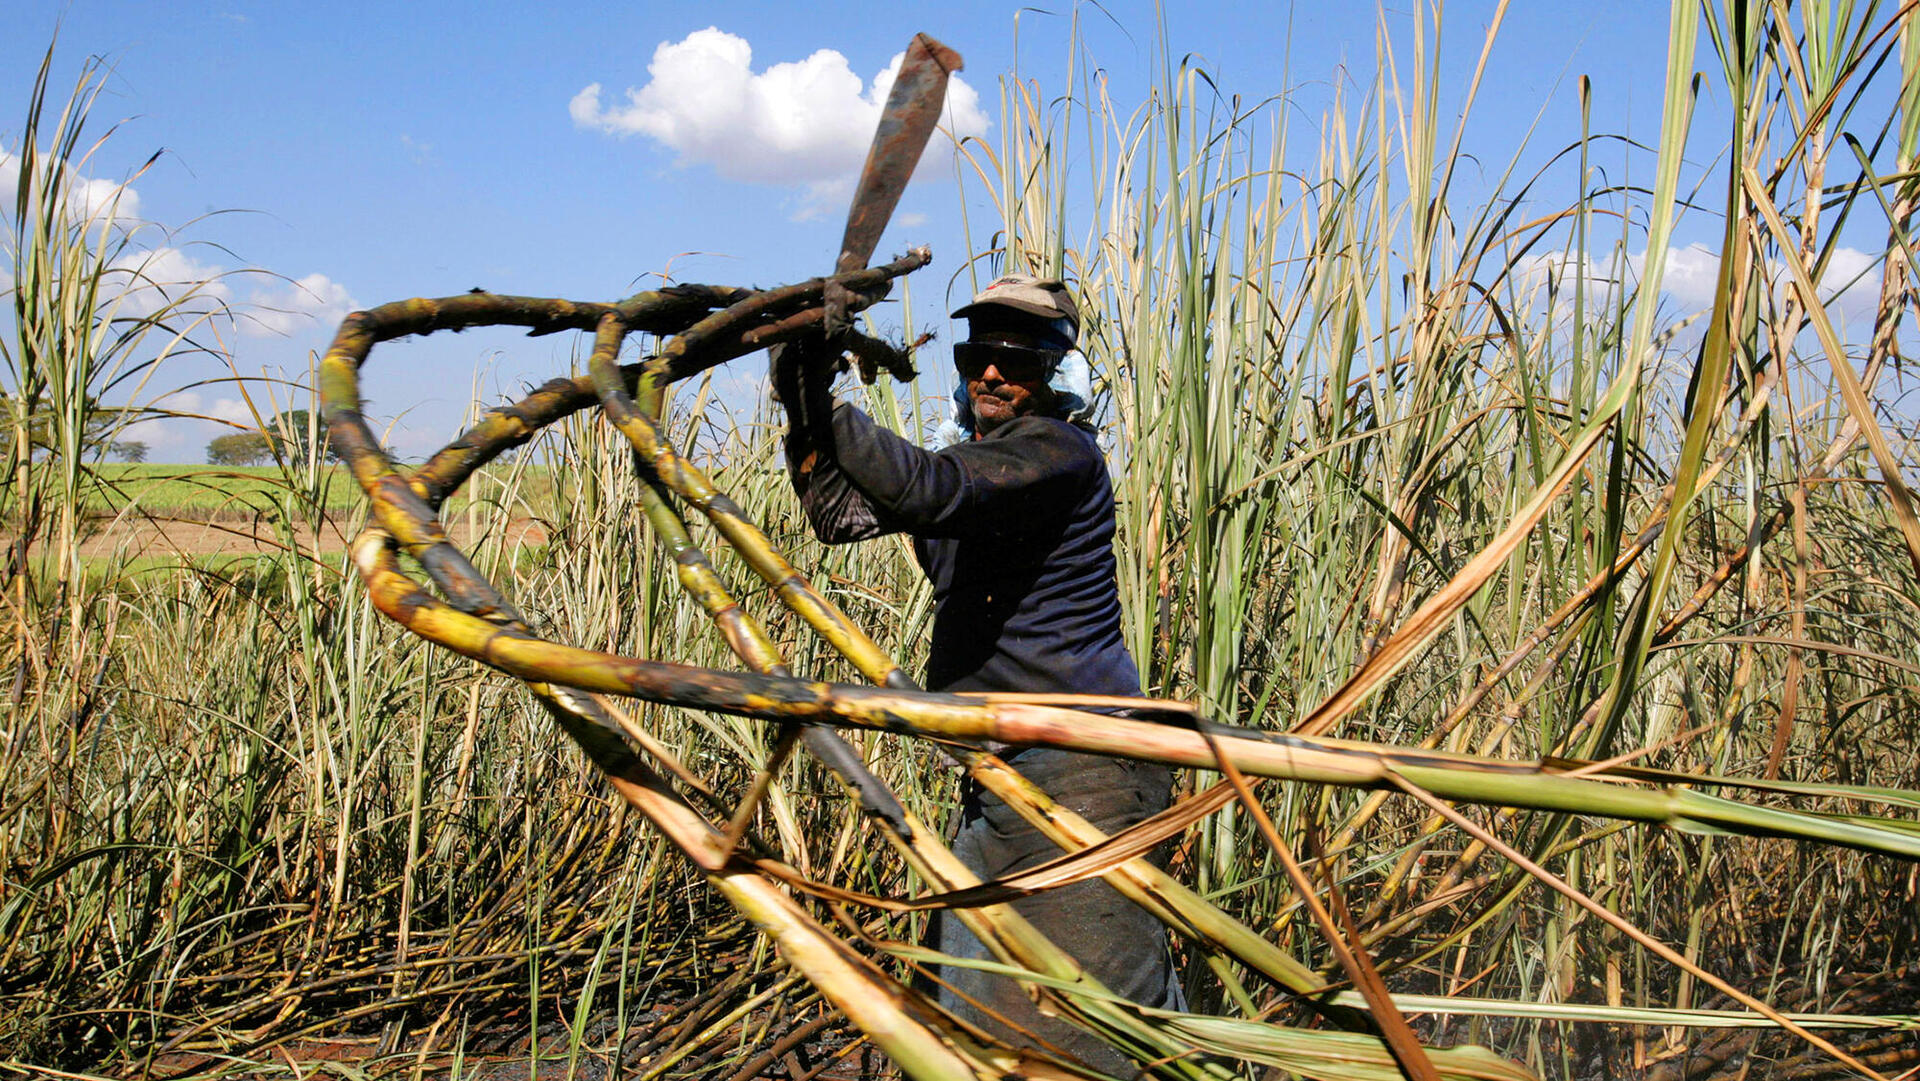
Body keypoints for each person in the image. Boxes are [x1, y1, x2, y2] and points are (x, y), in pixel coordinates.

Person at [776, 275, 1182, 1072]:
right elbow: (839, 514)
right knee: (974, 1017)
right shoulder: (977, 468)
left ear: (1053, 370)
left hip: (1084, 777)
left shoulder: (1056, 454)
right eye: (976, 356)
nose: (990, 373)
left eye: (1014, 358)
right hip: (998, 782)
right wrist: (802, 401)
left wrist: (830, 406)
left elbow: (930, 490)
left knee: (1079, 1041)